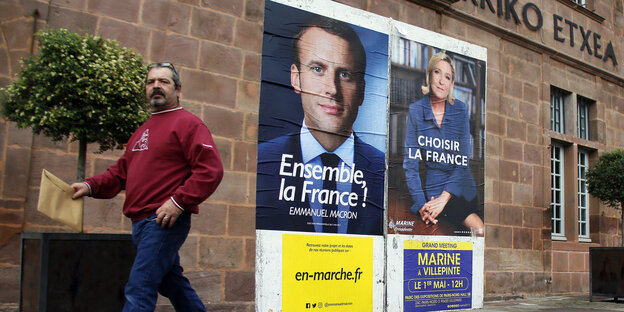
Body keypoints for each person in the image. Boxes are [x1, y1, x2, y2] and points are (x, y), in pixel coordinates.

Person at [71, 62, 224, 311]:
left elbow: (210, 170)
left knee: (139, 287)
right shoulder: (141, 131)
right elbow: (120, 173)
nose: (156, 86)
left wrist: (177, 202)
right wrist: (88, 186)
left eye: (163, 82)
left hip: (163, 221)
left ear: (178, 89)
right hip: (140, 223)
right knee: (172, 284)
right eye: (151, 82)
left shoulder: (189, 124)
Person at [256, 16, 384, 235]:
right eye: (318, 69)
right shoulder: (262, 161)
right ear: (296, 78)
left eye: (345, 74)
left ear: (362, 90)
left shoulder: (385, 172)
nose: (332, 89)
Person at [403, 51, 484, 236]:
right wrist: (420, 205)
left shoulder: (460, 110)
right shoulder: (416, 110)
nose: (441, 81)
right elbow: (411, 165)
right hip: (433, 189)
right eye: (437, 73)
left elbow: (463, 161)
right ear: (429, 75)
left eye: (447, 77)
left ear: (452, 84)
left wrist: (443, 199)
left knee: (479, 230)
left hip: (459, 186)